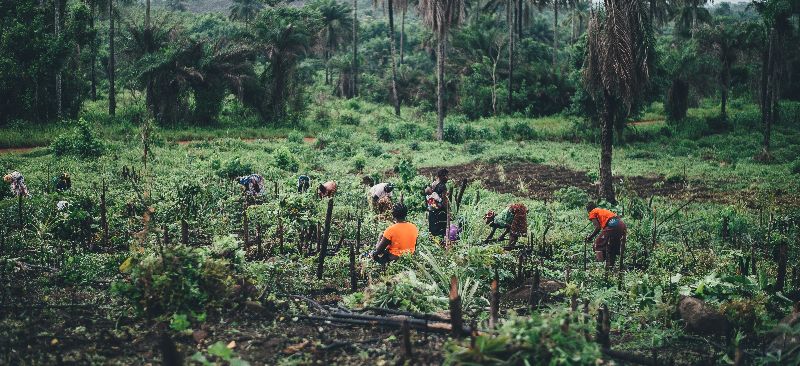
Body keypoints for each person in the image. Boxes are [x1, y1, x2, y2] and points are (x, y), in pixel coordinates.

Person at [584, 202, 627, 266]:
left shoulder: (592, 212)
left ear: (588, 210)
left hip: (613, 225)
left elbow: (598, 227)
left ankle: (600, 266)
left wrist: (590, 237)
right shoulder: (601, 210)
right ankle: (610, 267)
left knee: (597, 244)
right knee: (612, 247)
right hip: (621, 224)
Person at [425, 169, 449, 238]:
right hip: (440, 213)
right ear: (442, 176)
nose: (447, 178)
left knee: (433, 230)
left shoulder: (433, 184)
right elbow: (444, 201)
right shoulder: (442, 186)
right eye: (446, 176)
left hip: (432, 212)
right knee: (441, 231)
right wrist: (448, 211)